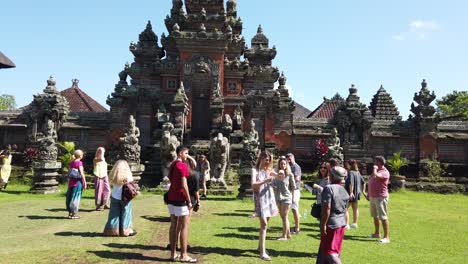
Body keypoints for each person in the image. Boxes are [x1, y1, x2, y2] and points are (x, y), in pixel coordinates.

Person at [167, 146, 197, 263]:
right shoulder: (182, 166)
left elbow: (171, 179)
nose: (187, 155)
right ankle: (184, 255)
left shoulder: (173, 164)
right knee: (184, 226)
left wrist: (186, 156)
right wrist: (189, 200)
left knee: (173, 225)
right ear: (180, 153)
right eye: (186, 153)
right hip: (180, 198)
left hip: (171, 197)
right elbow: (184, 185)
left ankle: (173, 254)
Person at [316, 166, 349, 264]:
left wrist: (323, 224)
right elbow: (345, 209)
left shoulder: (328, 188)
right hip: (341, 223)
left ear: (332, 176)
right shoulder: (344, 190)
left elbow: (327, 208)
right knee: (324, 250)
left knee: (331, 253)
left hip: (331, 224)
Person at [252, 150, 278, 261]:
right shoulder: (255, 170)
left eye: (269, 160)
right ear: (261, 159)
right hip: (260, 199)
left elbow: (275, 182)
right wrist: (265, 180)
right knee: (264, 225)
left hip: (269, 198)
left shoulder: (269, 170)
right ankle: (262, 252)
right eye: (265, 159)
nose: (267, 162)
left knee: (265, 225)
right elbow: (253, 185)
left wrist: (276, 179)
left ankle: (259, 247)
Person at [103, 160, 137, 236]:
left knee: (113, 215)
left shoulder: (114, 175)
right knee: (126, 214)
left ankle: (111, 231)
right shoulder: (128, 176)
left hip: (115, 197)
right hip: (125, 197)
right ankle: (126, 231)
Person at [367, 156, 390, 243]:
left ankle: (386, 237)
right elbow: (370, 181)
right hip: (373, 197)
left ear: (379, 163)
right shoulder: (377, 171)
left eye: (375, 162)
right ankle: (377, 233)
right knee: (375, 216)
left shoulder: (385, 172)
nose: (374, 164)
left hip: (381, 197)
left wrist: (374, 169)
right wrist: (369, 194)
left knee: (383, 217)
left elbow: (376, 177)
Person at [272, 156, 295, 240]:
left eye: (284, 163)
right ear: (279, 164)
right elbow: (273, 184)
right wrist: (273, 187)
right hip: (278, 197)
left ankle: (284, 236)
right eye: (281, 163)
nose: (283, 165)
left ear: (286, 165)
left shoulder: (289, 175)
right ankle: (288, 234)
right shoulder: (276, 174)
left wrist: (293, 198)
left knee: (284, 216)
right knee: (283, 217)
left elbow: (293, 187)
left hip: (286, 198)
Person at [65, 150, 87, 219]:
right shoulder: (79, 163)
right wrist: (85, 182)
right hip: (77, 183)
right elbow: (82, 173)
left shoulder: (72, 162)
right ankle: (74, 214)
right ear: (81, 156)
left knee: (70, 197)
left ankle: (70, 213)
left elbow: (69, 173)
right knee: (76, 198)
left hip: (71, 183)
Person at [345, 160, 365, 228]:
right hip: (357, 193)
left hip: (350, 194)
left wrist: (351, 193)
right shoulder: (358, 172)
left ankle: (346, 224)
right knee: (355, 209)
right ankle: (355, 223)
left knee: (345, 209)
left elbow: (351, 183)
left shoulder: (351, 172)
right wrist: (363, 191)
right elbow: (363, 182)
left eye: (347, 164)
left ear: (350, 165)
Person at [286, 153, 302, 234]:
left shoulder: (296, 167)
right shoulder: (288, 167)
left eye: (290, 159)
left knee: (295, 209)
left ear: (293, 158)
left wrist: (286, 183)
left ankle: (297, 228)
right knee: (292, 209)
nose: (289, 160)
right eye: (287, 159)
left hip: (295, 191)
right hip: (290, 190)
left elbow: (297, 179)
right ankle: (294, 227)